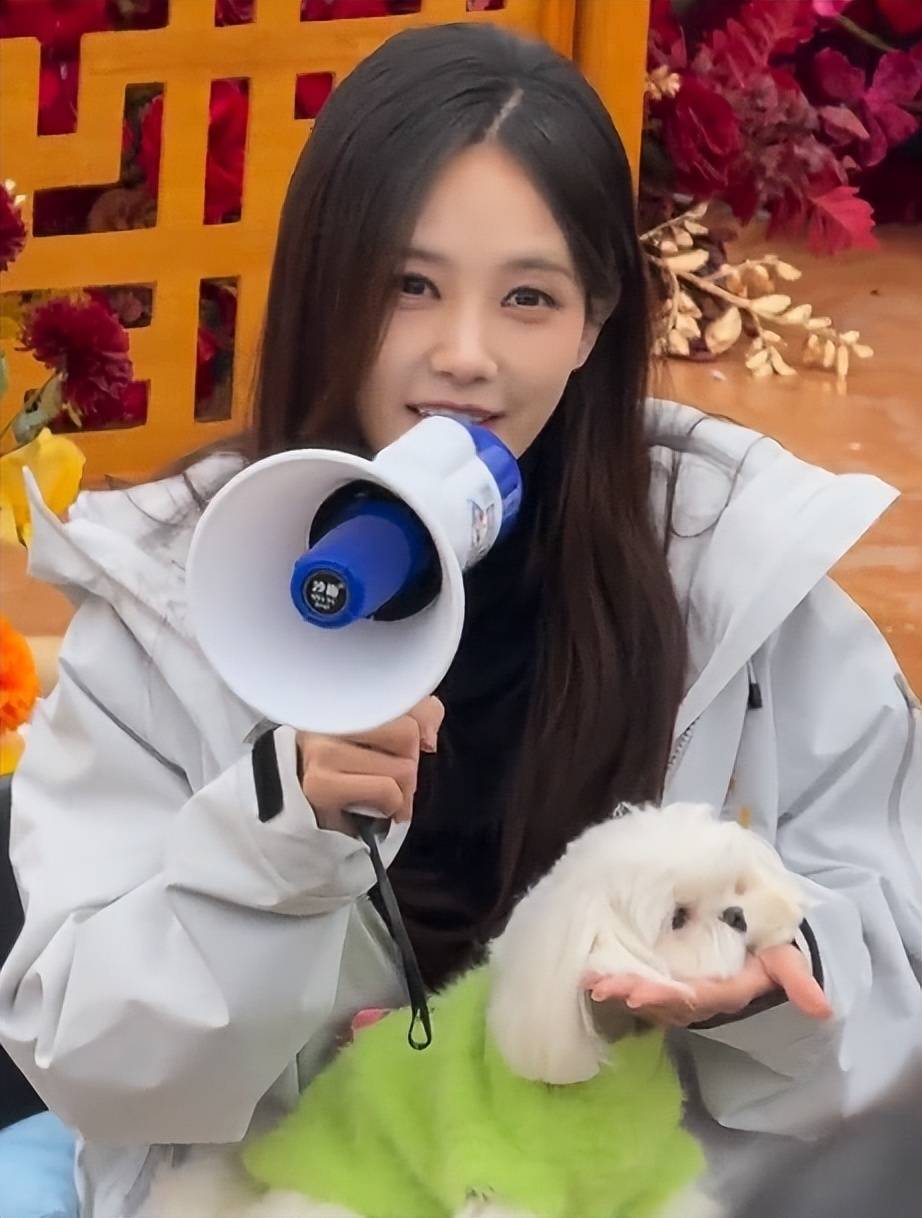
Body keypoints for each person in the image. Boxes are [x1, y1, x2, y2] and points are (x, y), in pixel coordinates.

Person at [0, 21, 918, 1218]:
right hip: (290, 1185)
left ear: (595, 320)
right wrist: (277, 839)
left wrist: (759, 995)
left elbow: (890, 1007)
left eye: (528, 297)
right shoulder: (173, 591)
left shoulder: (741, 577)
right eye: (409, 286)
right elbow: (91, 1060)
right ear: (323, 289)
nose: (463, 356)